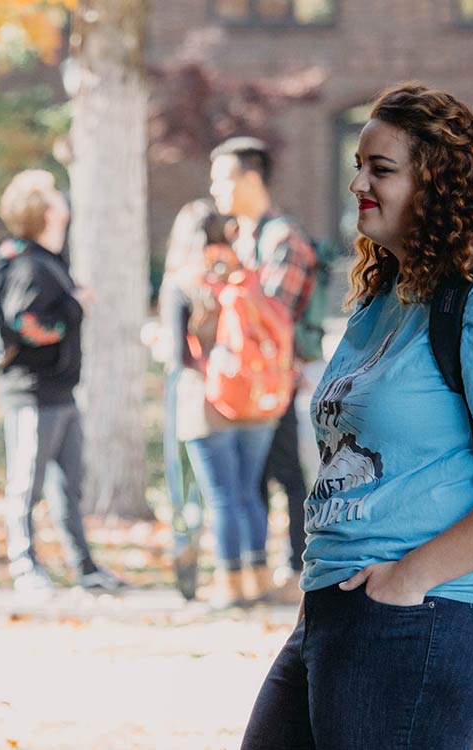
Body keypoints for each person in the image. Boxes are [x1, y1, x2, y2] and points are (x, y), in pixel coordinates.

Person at [241, 83, 473, 749]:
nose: (359, 181)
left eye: (381, 169)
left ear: (438, 183)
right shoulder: (388, 293)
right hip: (344, 605)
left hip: (431, 614)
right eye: (358, 166)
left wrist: (408, 579)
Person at [0, 169, 126, 596]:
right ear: (42, 210)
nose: (62, 200)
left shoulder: (49, 261)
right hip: (31, 393)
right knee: (27, 484)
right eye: (51, 195)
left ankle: (84, 566)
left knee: (68, 486)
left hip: (61, 393)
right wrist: (71, 311)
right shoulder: (30, 265)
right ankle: (24, 566)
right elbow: (24, 322)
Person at [208, 136, 320, 594]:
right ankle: (259, 569)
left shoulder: (283, 238)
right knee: (250, 478)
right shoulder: (240, 237)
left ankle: (294, 566)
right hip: (244, 383)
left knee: (288, 472)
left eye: (222, 178)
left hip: (277, 381)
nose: (214, 189)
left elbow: (272, 321)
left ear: (251, 179)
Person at [160, 200, 279, 606]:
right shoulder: (246, 275)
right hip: (256, 396)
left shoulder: (183, 281)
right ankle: (259, 578)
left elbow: (178, 355)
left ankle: (230, 584)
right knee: (248, 492)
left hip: (208, 400)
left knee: (223, 498)